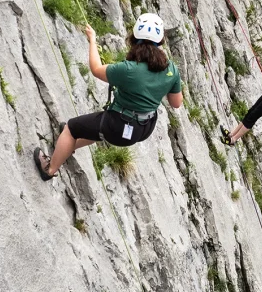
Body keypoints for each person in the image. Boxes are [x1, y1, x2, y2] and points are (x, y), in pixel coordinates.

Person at [34, 13, 183, 179]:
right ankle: (67, 147)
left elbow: (96, 69)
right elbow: (176, 103)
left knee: (70, 128)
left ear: (133, 37)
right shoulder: (171, 69)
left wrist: (92, 40)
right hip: (143, 129)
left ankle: (50, 169)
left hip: (117, 126)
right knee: (94, 129)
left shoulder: (128, 69)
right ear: (160, 41)